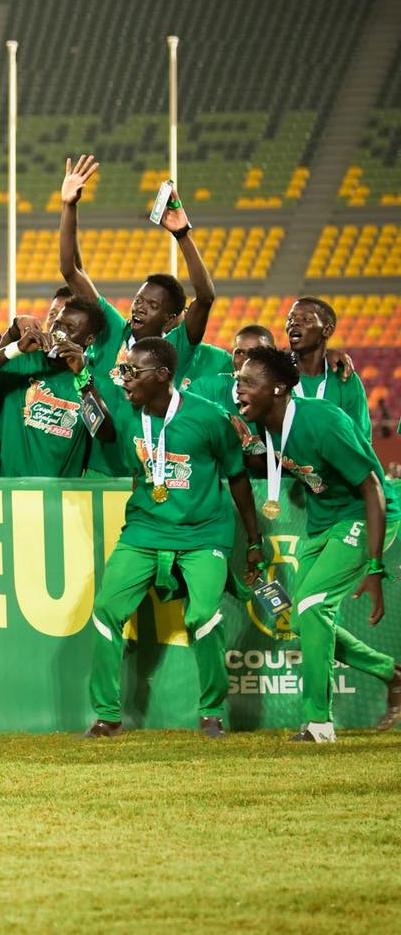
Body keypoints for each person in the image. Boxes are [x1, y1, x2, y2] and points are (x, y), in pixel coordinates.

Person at [82, 337, 261, 739]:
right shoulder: (129, 415)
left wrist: (253, 541)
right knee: (106, 610)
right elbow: (99, 427)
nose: (125, 380)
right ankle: (108, 716)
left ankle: (212, 712)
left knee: (202, 616)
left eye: (132, 372)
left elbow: (237, 478)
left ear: (162, 376)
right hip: (144, 529)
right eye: (123, 371)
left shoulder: (210, 417)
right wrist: (82, 378)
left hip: (203, 533)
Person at [235, 345, 401, 742]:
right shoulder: (264, 422)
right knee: (298, 618)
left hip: (366, 516)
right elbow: (280, 460)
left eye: (246, 382)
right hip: (323, 521)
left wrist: (375, 565)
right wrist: (251, 449)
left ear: (277, 389)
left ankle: (319, 724)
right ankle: (390, 674)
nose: (238, 389)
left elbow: (372, 487)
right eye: (237, 381)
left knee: (311, 605)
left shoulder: (323, 421)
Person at [58, 155, 216, 385]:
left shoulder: (176, 347)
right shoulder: (113, 329)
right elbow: (71, 270)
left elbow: (205, 298)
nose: (140, 307)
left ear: (170, 318)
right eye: (139, 299)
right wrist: (69, 205)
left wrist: (182, 234)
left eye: (153, 305)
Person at [0, 300, 106, 479]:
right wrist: (16, 347)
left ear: (89, 339)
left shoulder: (92, 381)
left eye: (70, 328)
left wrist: (82, 378)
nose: (59, 332)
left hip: (61, 499)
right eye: (57, 324)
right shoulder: (24, 360)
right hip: (11, 492)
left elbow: (104, 433)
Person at [285, 297, 372, 440]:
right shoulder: (277, 375)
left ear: (327, 330)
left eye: (306, 319)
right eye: (290, 319)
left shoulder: (345, 378)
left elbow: (361, 440)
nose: (294, 323)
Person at [185, 325, 276, 410]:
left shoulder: (285, 396)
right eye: (239, 353)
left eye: (255, 353)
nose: (246, 361)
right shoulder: (204, 389)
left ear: (273, 354)